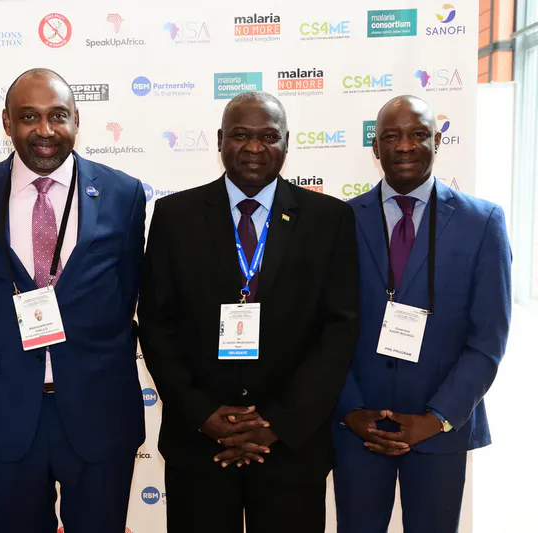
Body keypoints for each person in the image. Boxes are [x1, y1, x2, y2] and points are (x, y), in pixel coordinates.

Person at [138, 91, 360, 533]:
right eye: (240, 135)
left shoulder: (328, 218)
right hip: (199, 445)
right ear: (220, 139)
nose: (254, 147)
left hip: (290, 447)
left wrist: (277, 422)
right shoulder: (174, 215)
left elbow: (338, 331)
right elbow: (157, 325)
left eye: (269, 136)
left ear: (287, 143)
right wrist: (203, 414)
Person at [0, 68, 146, 533]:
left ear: (76, 119)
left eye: (57, 115)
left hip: (99, 410)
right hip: (5, 413)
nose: (45, 129)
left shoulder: (123, 192)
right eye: (29, 117)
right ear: (7, 122)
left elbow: (127, 294)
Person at [333, 95, 512, 533]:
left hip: (440, 429)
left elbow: (488, 339)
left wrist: (436, 418)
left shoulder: (482, 222)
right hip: (360, 429)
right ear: (375, 147)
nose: (404, 145)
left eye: (418, 134)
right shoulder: (340, 220)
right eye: (390, 136)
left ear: (437, 141)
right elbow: (324, 328)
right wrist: (351, 411)